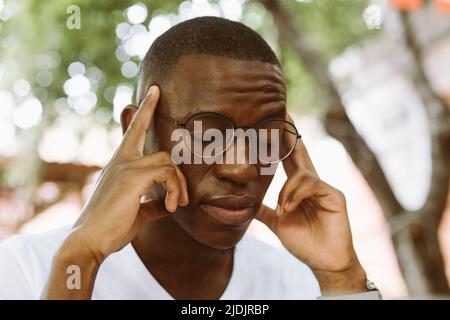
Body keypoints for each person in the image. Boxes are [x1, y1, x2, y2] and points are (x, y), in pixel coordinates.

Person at [0, 16, 380, 300]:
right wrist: (80, 261)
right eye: (206, 135)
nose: (243, 167)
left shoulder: (302, 284)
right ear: (139, 130)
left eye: (266, 136)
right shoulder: (28, 269)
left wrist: (342, 277)